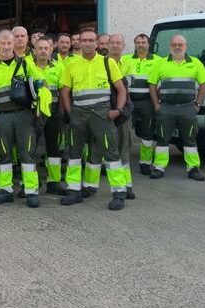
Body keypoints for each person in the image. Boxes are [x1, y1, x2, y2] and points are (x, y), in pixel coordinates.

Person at [58, 28, 129, 210]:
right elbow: (65, 92)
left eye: (91, 40)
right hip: (78, 114)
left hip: (102, 114)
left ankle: (119, 192)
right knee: (74, 153)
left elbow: (121, 90)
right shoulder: (71, 65)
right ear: (79, 43)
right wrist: (70, 113)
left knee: (111, 152)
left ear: (97, 43)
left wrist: (118, 110)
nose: (88, 43)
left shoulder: (108, 62)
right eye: (84, 40)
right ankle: (74, 190)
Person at [0, 30, 43, 208]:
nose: (7, 47)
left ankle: (31, 191)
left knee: (27, 154)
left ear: (14, 44)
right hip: (2, 117)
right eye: (3, 43)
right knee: (4, 154)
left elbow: (41, 83)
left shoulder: (26, 63)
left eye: (9, 43)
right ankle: (5, 190)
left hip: (24, 116)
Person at [148, 35, 205, 181]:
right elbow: (152, 84)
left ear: (186, 46)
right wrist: (156, 105)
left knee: (190, 139)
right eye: (174, 44)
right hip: (166, 108)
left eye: (180, 44)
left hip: (188, 108)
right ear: (170, 47)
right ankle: (159, 167)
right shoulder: (161, 63)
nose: (177, 47)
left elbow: (203, 84)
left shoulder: (195, 63)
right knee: (162, 138)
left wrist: (198, 104)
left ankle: (193, 168)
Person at [122, 33, 160, 175]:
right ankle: (123, 161)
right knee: (125, 132)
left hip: (147, 102)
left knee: (147, 134)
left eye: (143, 42)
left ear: (149, 44)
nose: (141, 45)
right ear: (134, 44)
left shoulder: (158, 60)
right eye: (138, 42)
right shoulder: (126, 59)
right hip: (129, 102)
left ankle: (145, 163)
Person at [31, 36, 66, 195]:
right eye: (40, 48)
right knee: (31, 148)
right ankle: (31, 182)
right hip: (34, 112)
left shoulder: (59, 67)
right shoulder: (27, 66)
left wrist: (63, 112)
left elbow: (63, 91)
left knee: (54, 148)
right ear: (34, 50)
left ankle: (54, 182)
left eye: (46, 48)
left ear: (51, 50)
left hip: (53, 112)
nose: (43, 51)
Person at [107, 34, 136, 199]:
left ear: (124, 46)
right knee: (101, 151)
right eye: (112, 43)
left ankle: (127, 185)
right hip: (103, 113)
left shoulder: (129, 63)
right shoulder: (101, 62)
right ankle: (90, 186)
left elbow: (127, 86)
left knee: (123, 149)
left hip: (123, 113)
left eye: (118, 43)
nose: (115, 46)